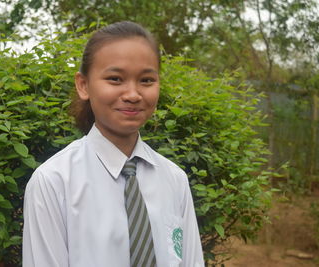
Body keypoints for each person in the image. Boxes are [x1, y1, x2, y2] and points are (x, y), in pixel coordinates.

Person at [23, 21, 204, 267]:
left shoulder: (174, 180)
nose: (132, 94)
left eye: (147, 80)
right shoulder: (53, 182)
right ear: (83, 85)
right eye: (115, 78)